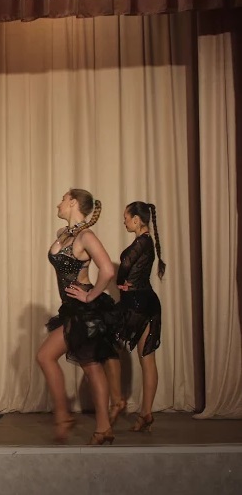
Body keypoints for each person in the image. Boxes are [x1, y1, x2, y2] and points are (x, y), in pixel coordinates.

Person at [37, 189, 117, 445]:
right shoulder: (64, 233)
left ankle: (95, 425)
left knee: (90, 366)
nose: (58, 204)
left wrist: (90, 295)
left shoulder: (86, 236)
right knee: (59, 359)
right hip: (70, 309)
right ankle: (72, 418)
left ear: (72, 202)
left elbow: (107, 270)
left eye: (62, 199)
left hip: (85, 310)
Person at [104, 202, 166, 432]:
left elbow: (125, 266)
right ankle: (145, 413)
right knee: (146, 358)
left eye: (126, 217)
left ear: (136, 220)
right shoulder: (146, 242)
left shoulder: (142, 242)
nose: (124, 221)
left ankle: (120, 401)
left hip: (137, 304)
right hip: (146, 302)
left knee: (109, 344)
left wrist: (120, 282)